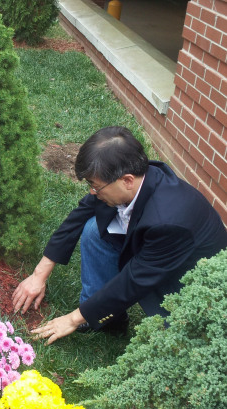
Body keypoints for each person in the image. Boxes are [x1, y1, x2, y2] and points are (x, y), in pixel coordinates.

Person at [11, 126, 227, 345]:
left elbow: (134, 281)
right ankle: (105, 319)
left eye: (96, 186)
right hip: (153, 255)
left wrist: (72, 319)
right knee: (94, 230)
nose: (92, 192)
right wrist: (39, 275)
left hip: (186, 282)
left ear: (127, 180)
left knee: (177, 343)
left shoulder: (169, 222)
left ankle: (100, 315)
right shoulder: (126, 179)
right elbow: (77, 217)